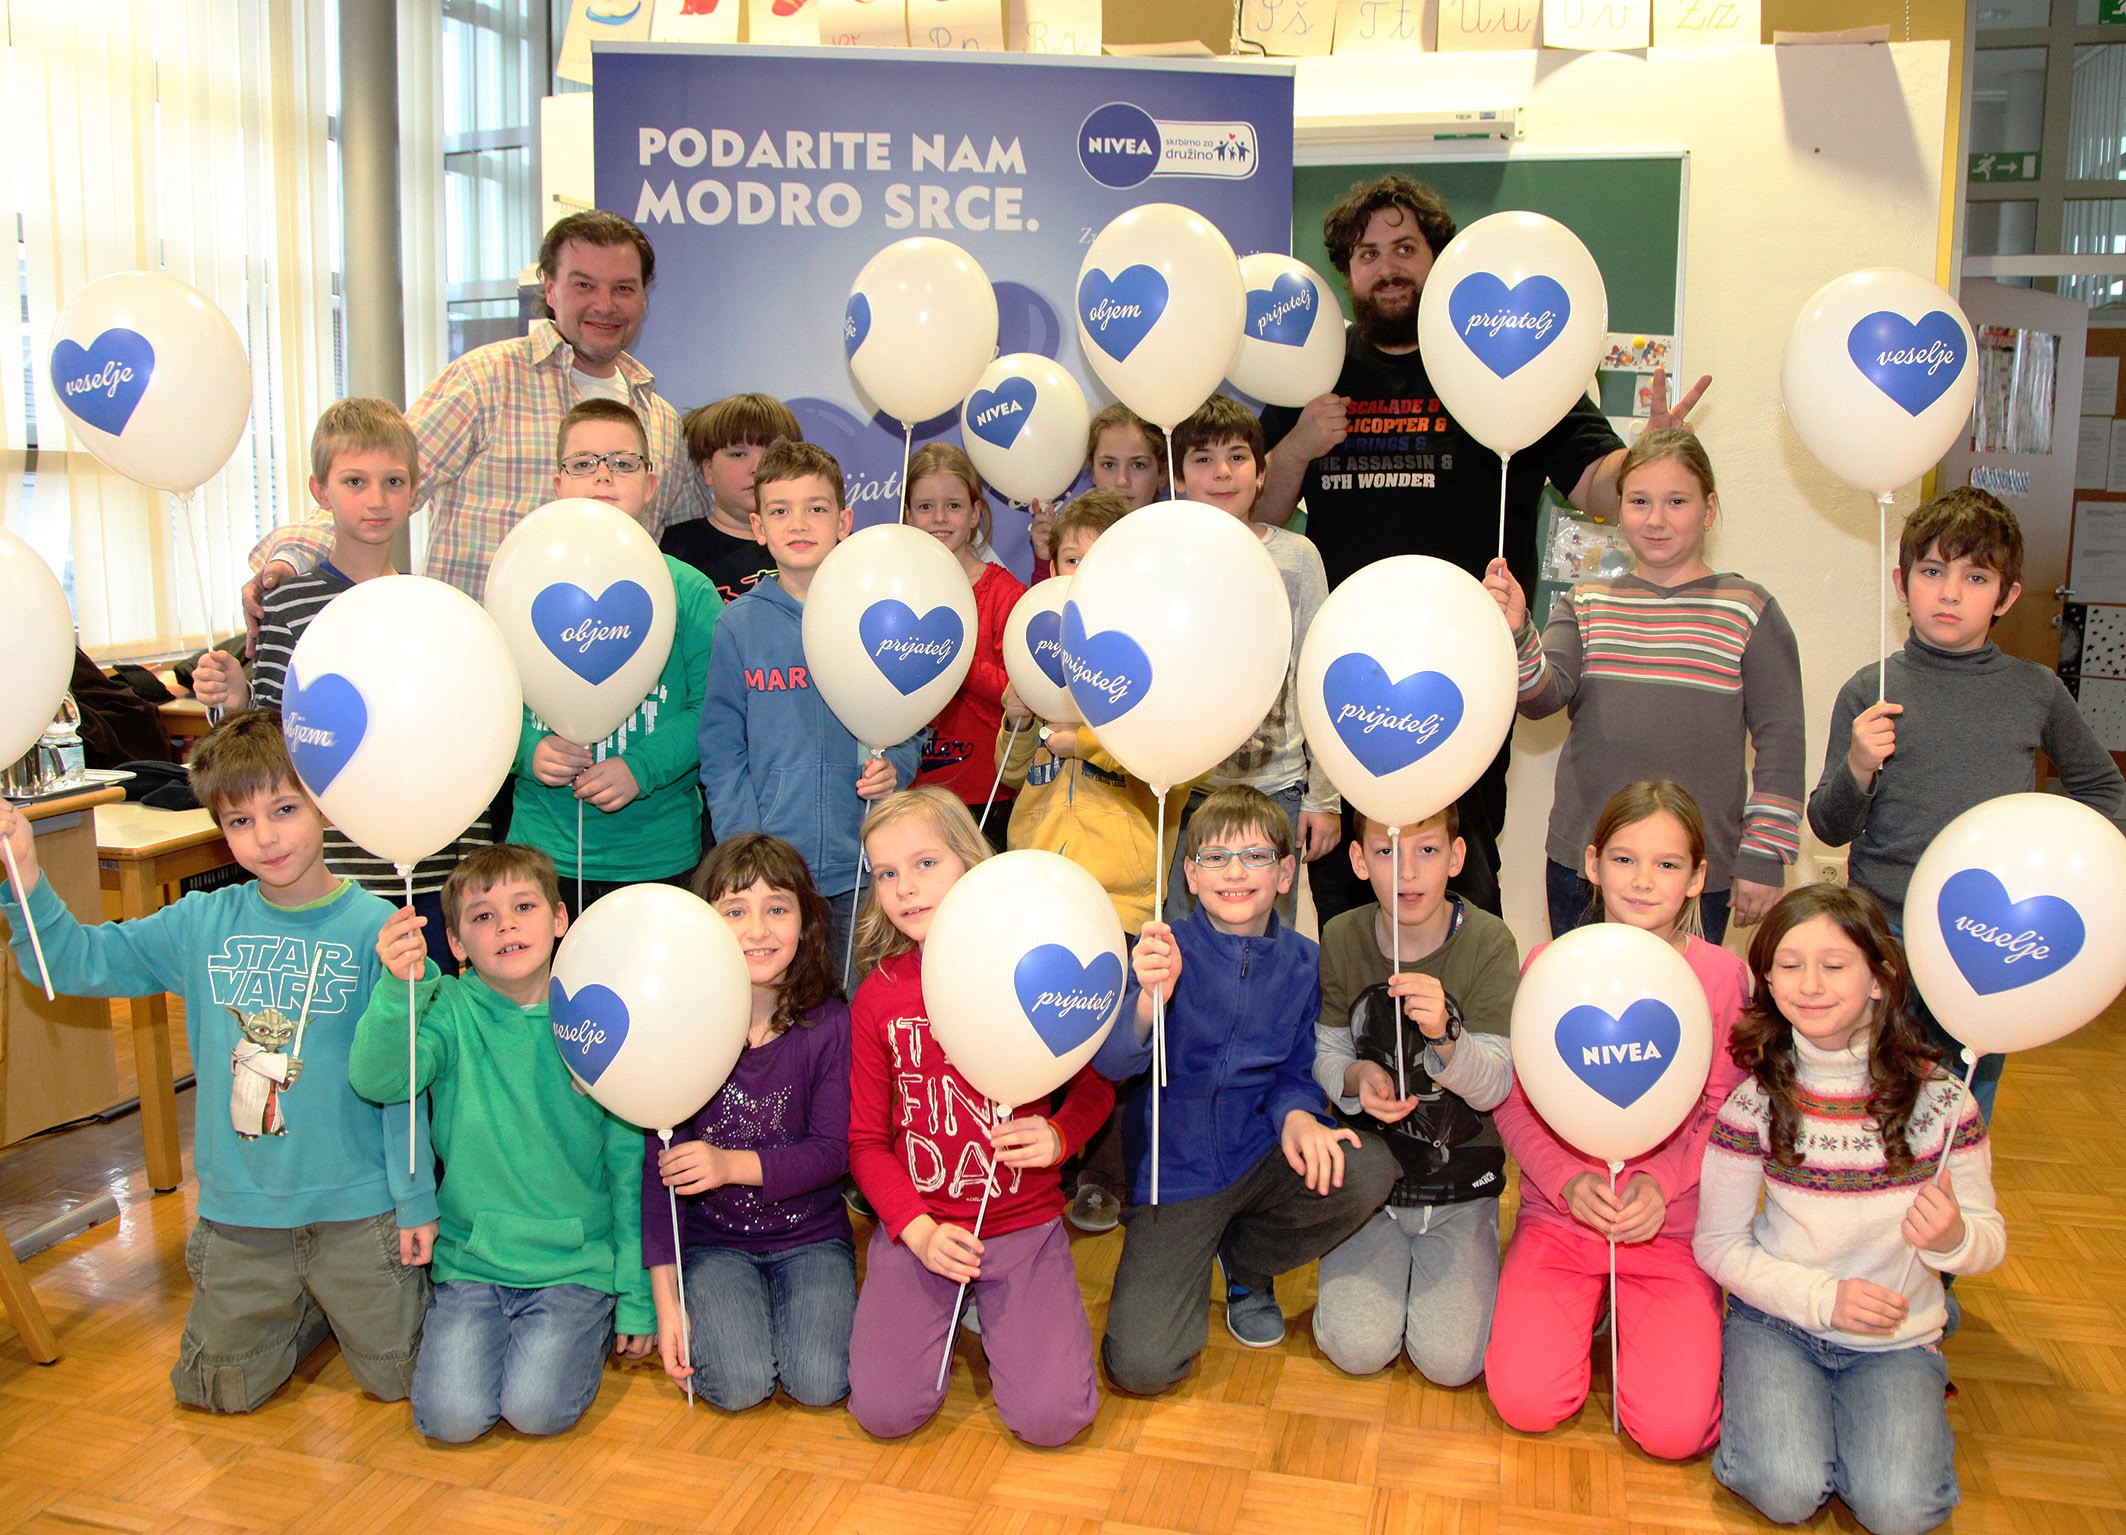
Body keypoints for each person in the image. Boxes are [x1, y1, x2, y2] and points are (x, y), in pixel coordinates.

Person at [1255, 174, 1709, 921]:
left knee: (1462, 883)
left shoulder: (1498, 352)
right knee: (1345, 895)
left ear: (1438, 259)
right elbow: (1262, 521)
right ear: (1347, 272)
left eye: (1406, 248)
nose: (1388, 267)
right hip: (1342, 668)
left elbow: (1597, 484)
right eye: (1368, 254)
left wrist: (1649, 458)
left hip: (1467, 672)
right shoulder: (1315, 369)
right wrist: (1300, 444)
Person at [0, 711, 436, 1412]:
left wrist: (414, 1201)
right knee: (217, 1393)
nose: (265, 837)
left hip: (357, 1213)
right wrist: (24, 877)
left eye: (285, 809)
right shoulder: (200, 923)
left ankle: (323, 1301)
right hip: (242, 1215)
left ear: (325, 804)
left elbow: (400, 1082)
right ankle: (303, 1307)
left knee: (404, 1384)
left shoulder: (376, 929)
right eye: (239, 821)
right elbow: (74, 961)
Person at [1807, 486, 2124, 1121]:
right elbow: (1828, 825)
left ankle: (1953, 1180)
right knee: (1873, 1095)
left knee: (1961, 1104)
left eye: (1975, 577)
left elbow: (2102, 788)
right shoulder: (1870, 689)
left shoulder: (2035, 691)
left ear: (2006, 596)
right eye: (1932, 571)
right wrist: (1859, 765)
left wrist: (2070, 870)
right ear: (1901, 583)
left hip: (1988, 938)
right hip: (1886, 929)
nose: (1949, 593)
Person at [1698, 883, 2003, 1535]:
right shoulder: (1753, 1103)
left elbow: (1989, 1239)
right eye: (1788, 964)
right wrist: (1821, 1299)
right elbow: (1717, 1244)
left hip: (1894, 1339)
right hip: (1779, 1321)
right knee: (1786, 1489)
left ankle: (1896, 1399)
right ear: (1767, 980)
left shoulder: (1944, 1100)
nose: (1810, 984)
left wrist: (1953, 1239)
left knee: (1900, 1510)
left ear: (1880, 978)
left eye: (1834, 965)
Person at [244, 209, 706, 616]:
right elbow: (377, 483)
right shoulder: (484, 380)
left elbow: (698, 541)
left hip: (611, 663)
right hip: (478, 662)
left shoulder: (661, 422)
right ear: (550, 289)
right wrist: (291, 560)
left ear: (643, 298)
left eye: (622, 288)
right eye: (583, 285)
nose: (604, 305)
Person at [1095, 786, 1396, 1390]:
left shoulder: (1306, 963)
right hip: (1175, 1175)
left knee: (1367, 1168)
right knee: (1142, 1366)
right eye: (1215, 857)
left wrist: (1298, 1114)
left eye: (1255, 857)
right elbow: (1112, 1065)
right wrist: (1147, 1005)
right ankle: (1195, 1245)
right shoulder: (1158, 951)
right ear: (1190, 874)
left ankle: (1246, 1263)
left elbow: (1296, 1069)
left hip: (1261, 1154)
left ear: (1285, 874)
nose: (1234, 872)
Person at [351, 844, 653, 1442]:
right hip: (474, 1262)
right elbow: (378, 1079)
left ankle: (576, 1333)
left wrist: (635, 1295)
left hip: (575, 1266)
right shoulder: (447, 1009)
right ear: (457, 943)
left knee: (536, 1410)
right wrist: (397, 990)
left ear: (560, 919)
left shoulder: (597, 1019)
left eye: (523, 907)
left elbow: (627, 1167)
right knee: (450, 1420)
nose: (506, 925)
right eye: (483, 916)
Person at [1485, 780, 1746, 1459]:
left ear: (1698, 878)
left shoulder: (1723, 978)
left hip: (1671, 1227)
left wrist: (1662, 1184)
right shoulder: (1549, 967)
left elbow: (1727, 1112)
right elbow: (1516, 1101)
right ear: (1593, 863)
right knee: (1525, 1402)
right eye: (1625, 859)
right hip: (1563, 1217)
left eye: (1667, 864)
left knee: (1673, 1432)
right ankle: (1592, 1306)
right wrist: (1566, 1181)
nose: (1643, 880)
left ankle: (1650, 1316)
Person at [843, 788, 1111, 1446]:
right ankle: (958, 1304)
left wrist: (1060, 1135)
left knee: (1054, 1419)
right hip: (922, 1228)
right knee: (883, 1411)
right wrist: (917, 1231)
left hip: (1022, 1224)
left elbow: (1096, 1088)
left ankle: (1002, 1310)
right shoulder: (878, 995)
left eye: (925, 863)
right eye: (887, 872)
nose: (905, 887)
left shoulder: (1028, 970)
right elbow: (867, 1143)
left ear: (970, 860)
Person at [1484, 428, 1805, 941]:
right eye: (1639, 502)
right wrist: (1519, 632)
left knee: (1683, 994)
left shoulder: (1749, 609)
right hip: (1585, 865)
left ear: (1709, 509)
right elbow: (1541, 697)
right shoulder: (1586, 602)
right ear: (1618, 509)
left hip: (1695, 872)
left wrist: (1765, 855)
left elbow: (1782, 742)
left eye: (1677, 501)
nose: (1656, 519)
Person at [196, 398, 469, 971]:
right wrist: (236, 701)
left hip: (428, 872)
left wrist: (464, 863)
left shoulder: (436, 610)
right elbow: (271, 738)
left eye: (394, 481)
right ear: (321, 492)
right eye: (355, 481)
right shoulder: (290, 605)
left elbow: (459, 740)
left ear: (415, 492)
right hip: (332, 874)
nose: (377, 500)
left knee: (422, 1013)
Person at [997, 489, 1196, 1235]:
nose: (1079, 572)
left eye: (1097, 560)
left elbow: (1167, 759)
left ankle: (1104, 1175)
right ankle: (1033, 1162)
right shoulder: (1043, 653)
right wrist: (1020, 719)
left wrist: (1080, 739)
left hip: (1119, 898)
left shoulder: (1154, 667)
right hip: (1036, 886)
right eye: (1069, 558)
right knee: (1034, 1030)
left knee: (1110, 1048)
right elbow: (1013, 771)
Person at [643, 833, 854, 1411]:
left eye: (776, 908)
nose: (757, 930)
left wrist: (727, 1165)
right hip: (714, 1245)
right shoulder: (677, 1027)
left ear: (806, 922)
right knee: (738, 1386)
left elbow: (832, 1153)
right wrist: (667, 1307)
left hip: (811, 1238)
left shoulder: (830, 1024)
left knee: (819, 1383)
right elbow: (656, 1178)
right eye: (735, 911)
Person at [1311, 805, 1519, 1384]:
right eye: (1386, 852)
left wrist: (1447, 1038)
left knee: (1451, 1364)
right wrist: (1355, 1080)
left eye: (1427, 850)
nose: (1407, 873)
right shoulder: (1342, 936)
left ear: (1456, 857)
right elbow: (1327, 1054)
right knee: (1356, 1349)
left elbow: (1495, 1085)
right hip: (1372, 1189)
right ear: (1358, 861)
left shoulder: (1490, 942)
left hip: (1461, 1189)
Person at [696, 439, 921, 963]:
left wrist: (898, 765)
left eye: (816, 509)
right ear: (758, 527)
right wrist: (748, 850)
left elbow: (911, 717)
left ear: (844, 521)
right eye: (780, 511)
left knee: (858, 995)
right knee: (784, 1001)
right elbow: (722, 751)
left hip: (864, 865)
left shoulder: (878, 615)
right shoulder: (739, 625)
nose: (798, 524)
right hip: (774, 877)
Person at [510, 399, 721, 910]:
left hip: (658, 855)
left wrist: (640, 768)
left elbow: (713, 710)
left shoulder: (688, 590)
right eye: (583, 463)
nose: (603, 476)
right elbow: (489, 705)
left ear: (650, 484)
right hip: (541, 855)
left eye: (623, 463)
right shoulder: (517, 582)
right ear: (558, 483)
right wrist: (529, 750)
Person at [1161, 395, 1342, 928]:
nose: (1222, 472)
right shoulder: (1162, 555)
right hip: (1185, 792)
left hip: (1277, 787)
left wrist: (1324, 797)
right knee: (1187, 939)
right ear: (1178, 478)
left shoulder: (1297, 558)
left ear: (1262, 472)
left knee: (1267, 939)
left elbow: (1318, 677)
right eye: (1203, 459)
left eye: (1238, 457)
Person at [904, 443, 1027, 847]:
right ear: (908, 514)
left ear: (975, 513)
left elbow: (1022, 694)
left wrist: (954, 658)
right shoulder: (895, 592)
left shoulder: (1005, 594)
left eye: (953, 506)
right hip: (913, 790)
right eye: (926, 506)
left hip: (989, 794)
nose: (939, 517)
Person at [661, 393, 800, 604]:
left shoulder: (818, 541)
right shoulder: (671, 550)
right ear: (708, 470)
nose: (757, 468)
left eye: (773, 454)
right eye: (738, 454)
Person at [1028, 403, 1165, 580]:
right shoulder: (1067, 541)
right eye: (1109, 464)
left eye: (1138, 465)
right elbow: (1049, 597)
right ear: (1092, 471)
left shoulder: (1177, 543)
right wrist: (1046, 560)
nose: (1122, 480)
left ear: (1162, 473)